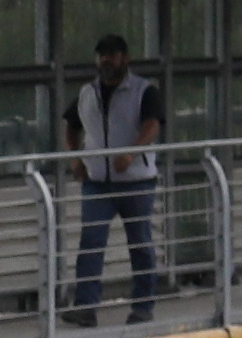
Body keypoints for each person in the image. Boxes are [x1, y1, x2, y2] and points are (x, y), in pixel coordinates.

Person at [60, 32, 167, 322]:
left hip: (136, 181)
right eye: (102, 55)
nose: (106, 60)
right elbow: (71, 125)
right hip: (97, 182)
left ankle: (143, 306)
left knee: (141, 242)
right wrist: (74, 157)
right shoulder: (88, 93)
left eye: (113, 54)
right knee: (91, 242)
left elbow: (152, 124)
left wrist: (131, 153)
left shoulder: (143, 90)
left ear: (125, 58)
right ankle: (86, 307)